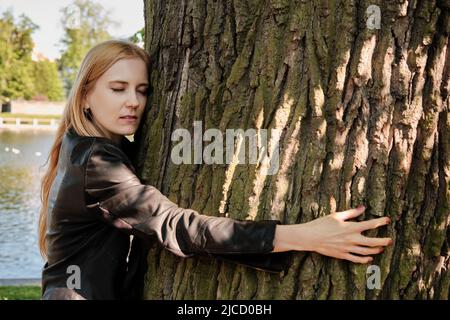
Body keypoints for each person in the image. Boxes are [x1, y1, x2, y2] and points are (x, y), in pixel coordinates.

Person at [38, 40, 392, 300]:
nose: (133, 101)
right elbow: (177, 226)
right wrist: (304, 236)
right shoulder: (96, 161)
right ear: (85, 95)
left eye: (142, 90)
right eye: (118, 89)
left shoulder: (93, 147)